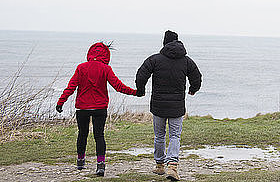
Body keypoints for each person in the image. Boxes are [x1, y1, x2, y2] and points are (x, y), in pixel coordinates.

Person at [56, 42, 139, 177]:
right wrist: (135, 92)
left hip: (82, 107)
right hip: (100, 107)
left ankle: (80, 161)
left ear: (90, 53)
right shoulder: (106, 69)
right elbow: (118, 86)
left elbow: (71, 87)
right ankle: (100, 165)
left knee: (82, 134)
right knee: (99, 135)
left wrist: (61, 102)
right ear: (106, 54)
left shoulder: (81, 68)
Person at [136, 30, 202, 181]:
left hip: (158, 105)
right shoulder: (186, 61)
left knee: (159, 135)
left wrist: (141, 90)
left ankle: (160, 166)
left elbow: (141, 74)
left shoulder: (155, 59)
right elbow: (196, 77)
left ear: (164, 43)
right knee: (174, 136)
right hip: (177, 106)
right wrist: (193, 89)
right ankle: (172, 166)